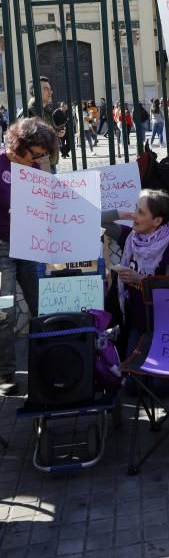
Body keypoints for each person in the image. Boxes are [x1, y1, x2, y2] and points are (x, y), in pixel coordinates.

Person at [0, 118, 58, 395]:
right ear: (19, 146)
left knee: (41, 304)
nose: (38, 160)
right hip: (1, 247)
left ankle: (52, 361)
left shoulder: (34, 168)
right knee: (4, 311)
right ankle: (5, 372)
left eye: (43, 156)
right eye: (36, 154)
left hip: (28, 243)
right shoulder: (1, 164)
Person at [102, 189, 169, 357]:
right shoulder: (131, 237)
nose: (135, 215)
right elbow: (97, 220)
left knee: (159, 383)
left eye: (140, 212)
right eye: (135, 209)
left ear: (157, 220)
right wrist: (123, 214)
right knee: (134, 378)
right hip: (136, 323)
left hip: (164, 325)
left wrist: (140, 279)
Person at [27, 76, 64, 172]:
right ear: (35, 91)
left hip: (49, 161)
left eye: (50, 89)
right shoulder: (29, 112)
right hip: (38, 165)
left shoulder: (46, 110)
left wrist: (57, 132)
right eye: (46, 89)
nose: (51, 92)